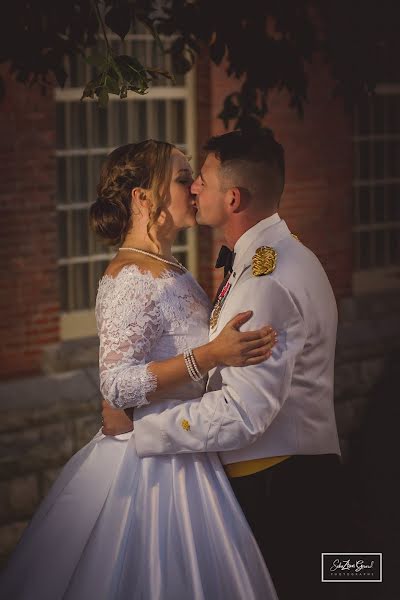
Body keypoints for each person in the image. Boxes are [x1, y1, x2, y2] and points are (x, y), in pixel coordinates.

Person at [0, 140, 279, 600]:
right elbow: (116, 382)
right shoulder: (129, 277)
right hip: (148, 471)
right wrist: (210, 355)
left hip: (189, 444)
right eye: (182, 178)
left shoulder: (172, 269)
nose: (193, 189)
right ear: (143, 197)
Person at [103, 129, 343, 600]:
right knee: (333, 578)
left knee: (324, 582)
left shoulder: (264, 279)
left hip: (278, 483)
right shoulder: (271, 259)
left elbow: (244, 412)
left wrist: (143, 431)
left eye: (201, 181)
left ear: (232, 198)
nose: (194, 189)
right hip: (287, 475)